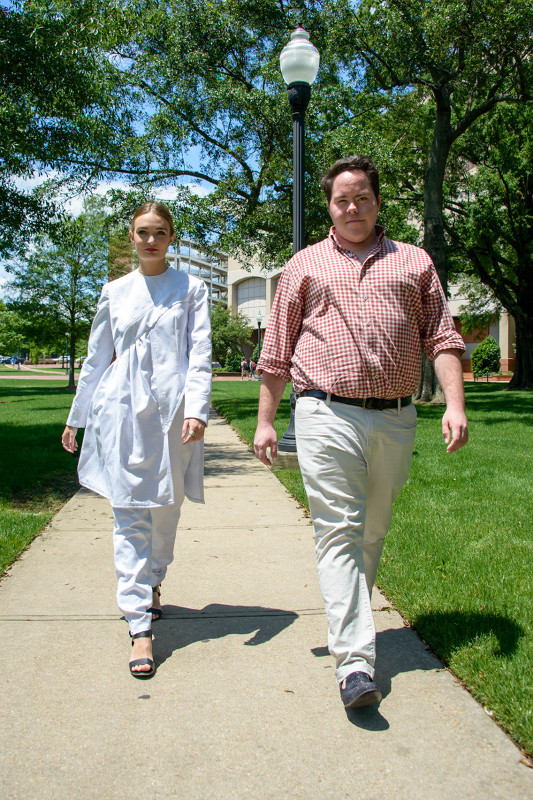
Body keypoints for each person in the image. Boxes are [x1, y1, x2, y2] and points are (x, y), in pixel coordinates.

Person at [254, 155, 468, 709]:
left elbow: (442, 338)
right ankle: (354, 663)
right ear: (329, 206)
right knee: (339, 530)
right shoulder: (305, 264)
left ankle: (349, 621)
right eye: (342, 200)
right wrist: (265, 419)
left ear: (377, 202)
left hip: (396, 415)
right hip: (325, 411)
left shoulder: (414, 262)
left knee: (373, 528)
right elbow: (277, 350)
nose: (352, 208)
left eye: (362, 198)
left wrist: (454, 403)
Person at [61, 202, 212, 679]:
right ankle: (139, 625)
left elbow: (200, 353)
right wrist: (76, 417)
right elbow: (95, 357)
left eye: (160, 232)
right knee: (128, 515)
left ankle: (153, 583)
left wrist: (197, 410)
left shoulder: (193, 287)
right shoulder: (114, 291)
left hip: (171, 418)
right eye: (143, 232)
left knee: (165, 514)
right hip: (121, 415)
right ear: (131, 237)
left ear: (172, 239)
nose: (151, 240)